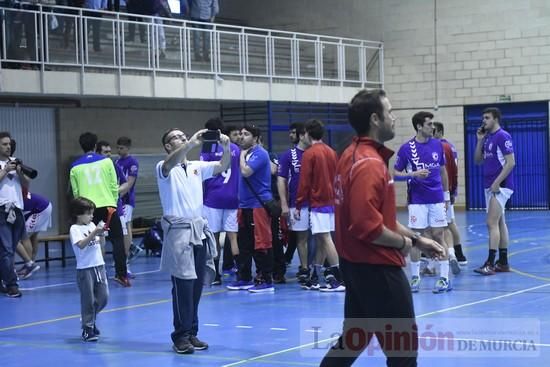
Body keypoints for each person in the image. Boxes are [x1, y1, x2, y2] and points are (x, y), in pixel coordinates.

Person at [320, 89, 445, 367]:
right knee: (403, 354)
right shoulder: (369, 165)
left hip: (355, 267)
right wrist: (406, 245)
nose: (394, 118)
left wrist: (417, 238)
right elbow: (368, 226)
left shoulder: (351, 156)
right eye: (390, 113)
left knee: (353, 340)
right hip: (378, 270)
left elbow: (380, 217)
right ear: (376, 119)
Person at [157, 127, 230, 354]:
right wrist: (190, 144)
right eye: (175, 137)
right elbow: (169, 164)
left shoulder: (197, 167)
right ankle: (180, 336)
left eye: (182, 135)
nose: (181, 138)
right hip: (179, 231)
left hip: (198, 230)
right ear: (168, 146)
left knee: (197, 285)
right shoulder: (163, 167)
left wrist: (227, 148)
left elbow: (222, 167)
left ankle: (191, 333)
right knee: (183, 285)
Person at [393, 111, 453, 294]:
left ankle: (444, 278)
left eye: (432, 124)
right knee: (416, 237)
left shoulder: (437, 145)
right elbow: (395, 174)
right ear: (419, 126)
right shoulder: (406, 149)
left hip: (436, 199)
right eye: (429, 124)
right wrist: (412, 174)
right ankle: (415, 277)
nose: (432, 127)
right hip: (417, 200)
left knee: (438, 236)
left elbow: (443, 172)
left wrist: (447, 197)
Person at [70, 132, 130, 287]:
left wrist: (82, 210)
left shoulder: (75, 167)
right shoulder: (106, 162)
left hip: (87, 209)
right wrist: (113, 203)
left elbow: (76, 193)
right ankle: (121, 275)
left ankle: (94, 275)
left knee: (91, 240)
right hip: (108, 205)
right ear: (95, 146)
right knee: (117, 240)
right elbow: (113, 186)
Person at [295, 119, 344, 292]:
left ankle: (338, 278)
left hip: (319, 202)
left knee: (324, 238)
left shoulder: (310, 153)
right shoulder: (332, 152)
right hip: (332, 201)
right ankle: (315, 276)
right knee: (322, 238)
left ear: (308, 133)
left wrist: (299, 204)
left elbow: (304, 182)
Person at [227, 124, 275, 293]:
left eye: (246, 134)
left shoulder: (260, 153)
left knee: (261, 243)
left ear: (255, 138)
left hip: (258, 205)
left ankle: (265, 279)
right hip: (244, 206)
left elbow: (246, 172)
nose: (241, 137)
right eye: (240, 134)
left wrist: (241, 155)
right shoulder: (246, 153)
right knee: (244, 244)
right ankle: (245, 277)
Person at [474, 107, 515, 275]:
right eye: (483, 118)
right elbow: (477, 160)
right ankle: (503, 262)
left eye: (487, 118)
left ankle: (490, 263)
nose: (484, 120)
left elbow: (510, 162)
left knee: (491, 223)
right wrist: (479, 140)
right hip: (490, 185)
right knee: (499, 222)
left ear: (496, 119)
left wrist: (497, 183)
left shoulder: (502, 136)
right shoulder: (488, 138)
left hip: (500, 185)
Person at [200, 118, 240, 285]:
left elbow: (202, 172)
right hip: (233, 197)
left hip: (214, 198)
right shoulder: (235, 148)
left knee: (214, 237)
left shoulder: (207, 148)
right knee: (233, 238)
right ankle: (241, 273)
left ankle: (216, 275)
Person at [69, 197, 109, 342]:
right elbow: (81, 245)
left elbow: (101, 244)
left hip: (99, 266)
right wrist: (94, 233)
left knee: (104, 298)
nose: (92, 216)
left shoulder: (92, 225)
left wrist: (102, 234)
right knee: (88, 300)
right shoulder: (75, 229)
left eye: (92, 213)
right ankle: (87, 328)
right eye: (88, 213)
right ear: (78, 214)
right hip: (85, 269)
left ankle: (90, 319)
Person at [277, 122, 311, 283]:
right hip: (297, 204)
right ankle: (304, 268)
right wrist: (284, 203)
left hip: (318, 204)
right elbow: (281, 180)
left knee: (322, 237)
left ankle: (319, 267)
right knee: (301, 238)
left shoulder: (316, 153)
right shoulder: (288, 155)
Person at [0, 132, 30, 297]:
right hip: (1, 210)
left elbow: (26, 183)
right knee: (6, 250)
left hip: (17, 209)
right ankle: (12, 284)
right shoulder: (4, 165)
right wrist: (5, 170)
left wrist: (19, 171)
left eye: (9, 144)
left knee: (8, 249)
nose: (8, 146)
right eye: (4, 144)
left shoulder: (16, 161)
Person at [433, 122, 468, 266]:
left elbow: (449, 171)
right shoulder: (451, 146)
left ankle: (453, 254)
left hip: (443, 191)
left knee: (446, 225)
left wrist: (450, 192)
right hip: (447, 190)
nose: (431, 133)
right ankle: (457, 254)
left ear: (440, 132)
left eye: (433, 131)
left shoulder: (441, 147)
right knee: (449, 223)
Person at [115, 137, 140, 273]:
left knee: (126, 226)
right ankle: (127, 251)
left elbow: (129, 183)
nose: (119, 150)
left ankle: (127, 258)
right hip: (118, 199)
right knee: (122, 227)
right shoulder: (116, 161)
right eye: (117, 147)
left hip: (126, 200)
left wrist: (118, 197)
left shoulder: (132, 162)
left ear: (128, 148)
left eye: (122, 148)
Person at [16, 191, 53, 279]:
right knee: (33, 235)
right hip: (42, 205)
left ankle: (29, 265)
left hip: (40, 208)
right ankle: (31, 262)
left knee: (23, 236)